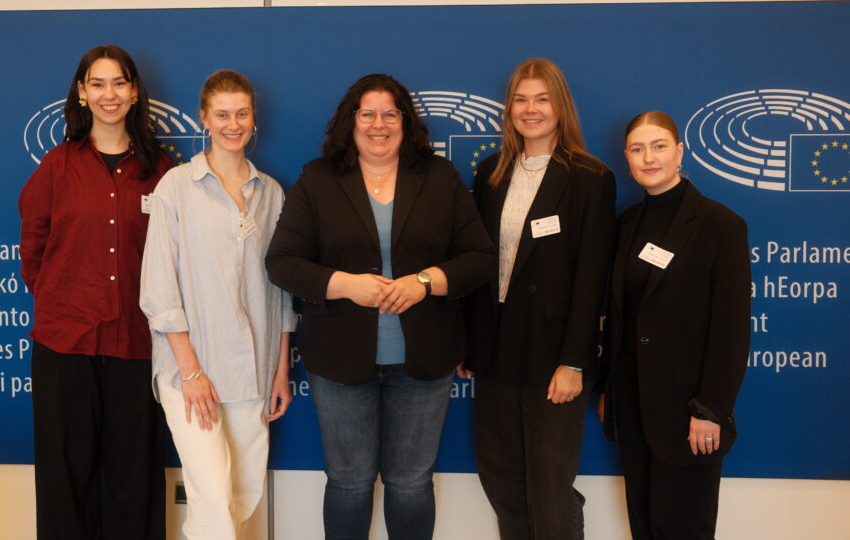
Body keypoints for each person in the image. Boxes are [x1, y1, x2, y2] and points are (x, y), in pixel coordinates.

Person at [265, 73, 496, 540]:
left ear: (405, 122)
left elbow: (481, 258)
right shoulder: (319, 178)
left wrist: (425, 282)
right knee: (349, 483)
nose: (378, 124)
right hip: (340, 359)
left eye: (390, 113)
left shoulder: (438, 176)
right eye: (367, 113)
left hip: (424, 361)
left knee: (410, 483)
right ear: (350, 121)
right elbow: (282, 263)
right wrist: (345, 284)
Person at [18, 44, 171, 540]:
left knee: (133, 475)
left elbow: (174, 256)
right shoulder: (58, 164)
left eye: (120, 83)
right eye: (98, 84)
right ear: (82, 93)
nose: (110, 94)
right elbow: (34, 243)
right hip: (65, 342)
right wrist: (63, 296)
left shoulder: (162, 170)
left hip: (137, 342)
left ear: (134, 92)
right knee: (66, 477)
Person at [140, 69, 297, 540]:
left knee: (241, 498)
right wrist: (189, 372)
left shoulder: (271, 193)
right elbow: (159, 288)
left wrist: (281, 369)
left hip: (254, 370)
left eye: (242, 114)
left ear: (254, 120)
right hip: (193, 372)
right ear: (203, 118)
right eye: (222, 114)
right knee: (210, 500)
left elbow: (281, 290)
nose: (233, 124)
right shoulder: (175, 187)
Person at [463, 57, 615, 540]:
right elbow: (479, 263)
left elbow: (592, 278)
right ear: (508, 109)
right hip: (496, 348)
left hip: (553, 353)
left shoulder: (590, 177)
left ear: (560, 106)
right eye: (521, 99)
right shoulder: (490, 173)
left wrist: (574, 360)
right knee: (502, 480)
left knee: (550, 487)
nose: (531, 110)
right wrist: (469, 344)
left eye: (542, 99)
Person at [599, 111, 751, 540]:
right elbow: (622, 315)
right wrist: (610, 388)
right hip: (632, 405)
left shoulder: (721, 225)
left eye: (659, 145)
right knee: (644, 526)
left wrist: (711, 408)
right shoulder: (626, 223)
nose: (649, 157)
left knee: (685, 527)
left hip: (690, 413)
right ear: (626, 157)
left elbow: (732, 329)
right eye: (637, 148)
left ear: (680, 151)